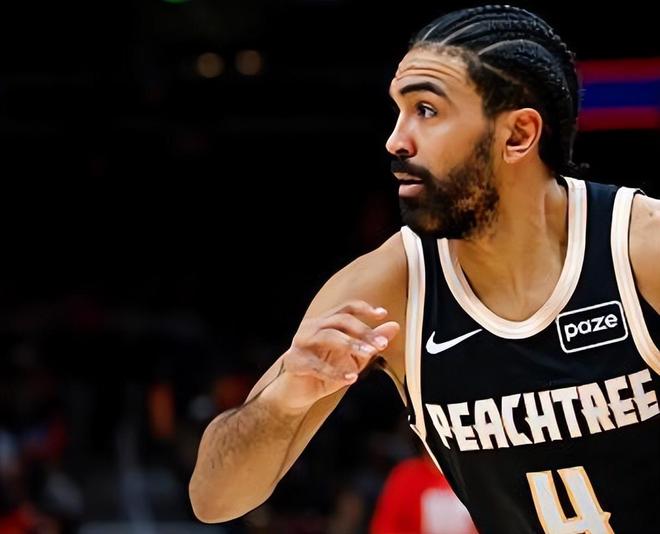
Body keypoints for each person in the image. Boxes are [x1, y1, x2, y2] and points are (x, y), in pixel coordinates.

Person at [189, 5, 660, 532]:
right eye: (399, 110)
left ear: (518, 135)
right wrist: (283, 402)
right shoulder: (387, 288)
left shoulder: (642, 248)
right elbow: (213, 499)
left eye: (427, 110)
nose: (396, 140)